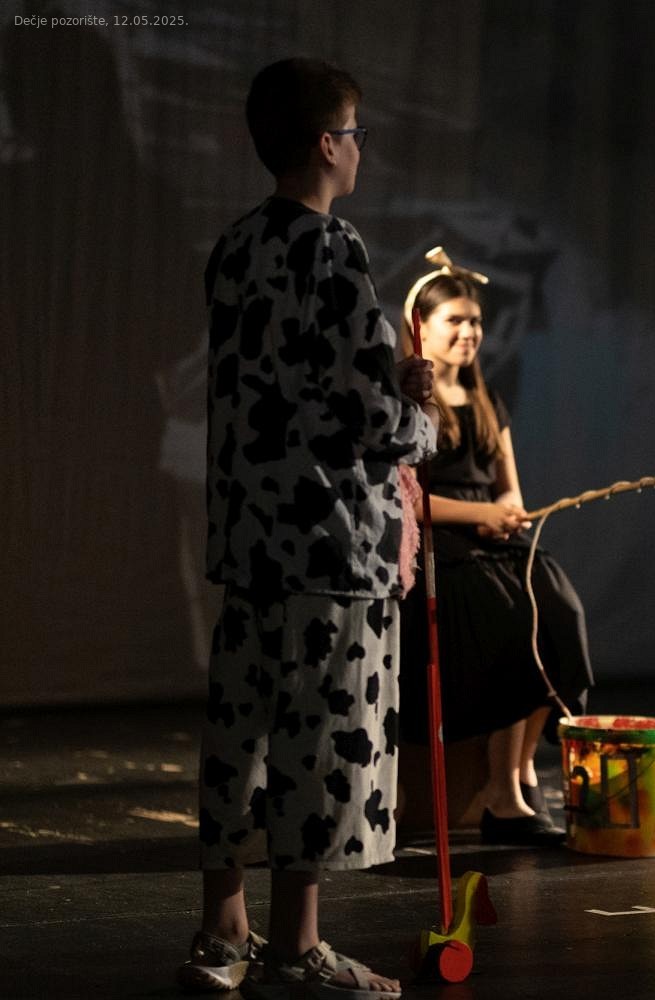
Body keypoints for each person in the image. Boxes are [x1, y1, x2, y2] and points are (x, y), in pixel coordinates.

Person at [184, 58, 436, 998]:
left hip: (251, 534)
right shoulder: (333, 249)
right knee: (320, 743)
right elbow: (369, 414)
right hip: (329, 542)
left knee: (241, 734)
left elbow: (281, 387)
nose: (361, 150)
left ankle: (222, 933)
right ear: (328, 144)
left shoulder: (236, 244)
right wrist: (424, 416)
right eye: (357, 134)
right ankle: (296, 946)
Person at [397, 255, 593, 847]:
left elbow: (508, 487)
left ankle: (518, 773)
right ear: (420, 326)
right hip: (438, 545)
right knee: (508, 619)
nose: (469, 332)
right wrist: (480, 515)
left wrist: (506, 514)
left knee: (556, 609)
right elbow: (408, 500)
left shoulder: (487, 400)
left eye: (475, 321)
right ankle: (503, 793)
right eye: (454, 320)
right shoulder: (409, 405)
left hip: (488, 540)